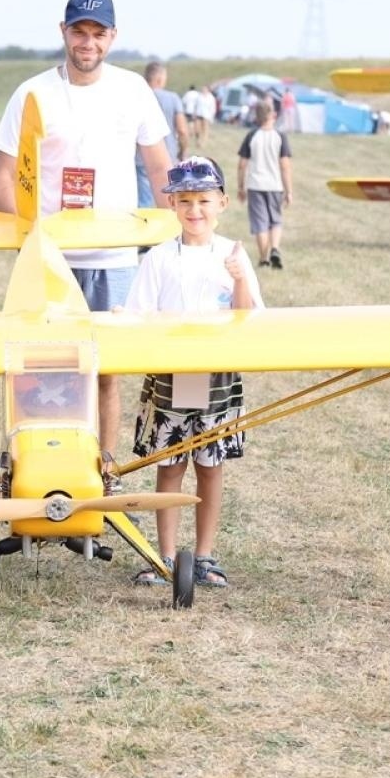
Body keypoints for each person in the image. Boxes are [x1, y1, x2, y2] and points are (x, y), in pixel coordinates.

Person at [0, 0, 171, 468]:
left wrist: (184, 232)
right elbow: (3, 177)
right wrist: (31, 241)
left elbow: (158, 170)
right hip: (52, 262)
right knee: (42, 373)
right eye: (79, 31)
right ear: (63, 32)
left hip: (115, 258)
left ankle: (103, 469)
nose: (87, 42)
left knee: (106, 371)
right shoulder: (32, 93)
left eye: (97, 33)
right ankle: (38, 468)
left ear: (112, 38)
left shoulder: (134, 90)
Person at [124, 157, 262, 588]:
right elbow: (136, 316)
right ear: (173, 207)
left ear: (221, 203)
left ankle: (204, 556)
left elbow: (251, 317)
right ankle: (164, 556)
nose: (195, 210)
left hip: (218, 376)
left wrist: (239, 279)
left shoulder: (233, 255)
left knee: (210, 465)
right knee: (170, 466)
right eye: (185, 201)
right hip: (170, 375)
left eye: (203, 200)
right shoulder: (159, 258)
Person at [237, 98, 292, 268]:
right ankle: (275, 248)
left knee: (260, 223)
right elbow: (285, 166)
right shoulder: (280, 136)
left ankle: (264, 258)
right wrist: (288, 190)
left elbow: (242, 164)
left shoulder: (252, 135)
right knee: (275, 220)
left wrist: (241, 187)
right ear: (273, 115)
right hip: (274, 185)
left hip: (255, 185)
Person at [137, 62, 189, 206]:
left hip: (140, 158)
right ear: (160, 78)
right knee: (168, 202)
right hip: (167, 157)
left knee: (144, 202)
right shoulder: (172, 98)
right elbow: (182, 130)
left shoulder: (136, 96)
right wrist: (183, 151)